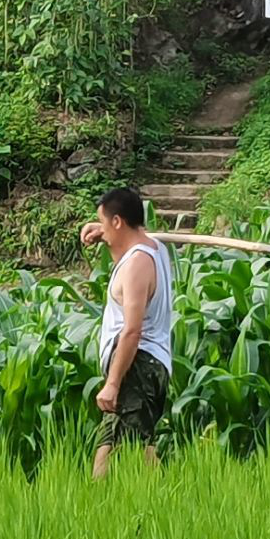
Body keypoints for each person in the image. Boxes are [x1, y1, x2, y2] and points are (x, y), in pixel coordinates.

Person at [79, 187, 174, 477]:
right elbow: (133, 240)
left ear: (118, 221)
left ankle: (167, 504)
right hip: (148, 366)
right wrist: (103, 229)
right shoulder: (155, 249)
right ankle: (98, 507)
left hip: (137, 366)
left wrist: (113, 384)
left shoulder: (135, 266)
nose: (102, 229)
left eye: (105, 222)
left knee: (135, 449)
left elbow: (132, 331)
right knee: (110, 444)